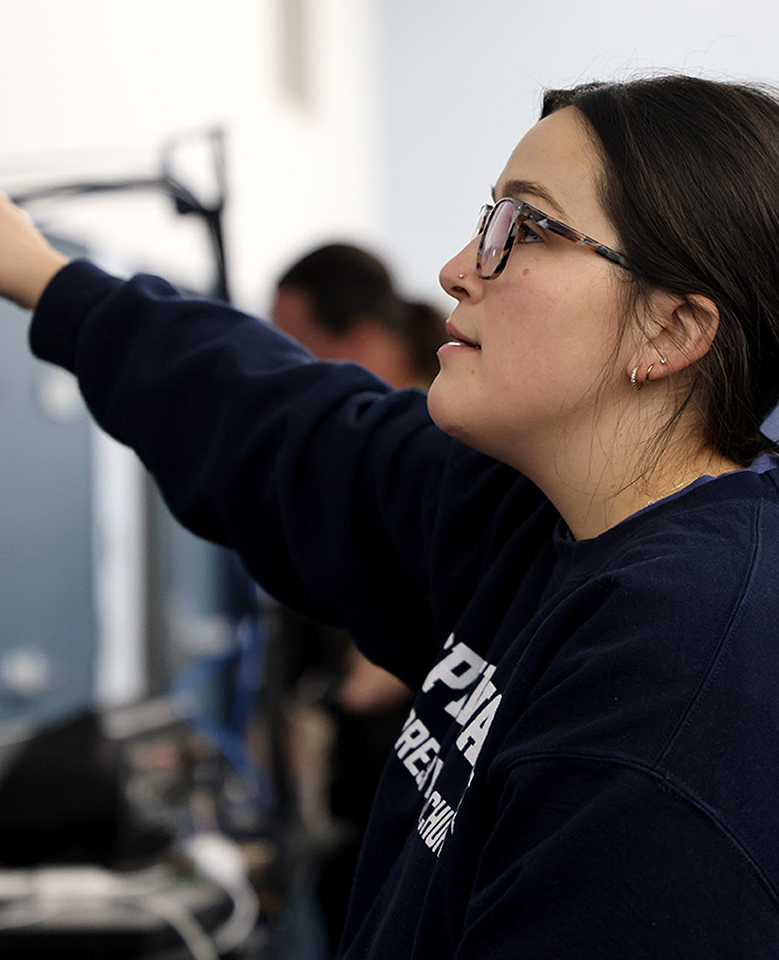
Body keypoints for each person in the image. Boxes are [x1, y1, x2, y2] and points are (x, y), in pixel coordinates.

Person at [0, 73, 779, 958]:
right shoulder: (549, 516)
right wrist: (50, 279)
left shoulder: (691, 694)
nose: (455, 268)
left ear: (672, 331)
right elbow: (298, 433)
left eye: (521, 231)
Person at [269, 242, 447, 955]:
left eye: (294, 347)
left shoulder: (448, 452)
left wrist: (407, 652)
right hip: (343, 796)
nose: (284, 372)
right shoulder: (340, 457)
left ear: (365, 341)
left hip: (407, 796)